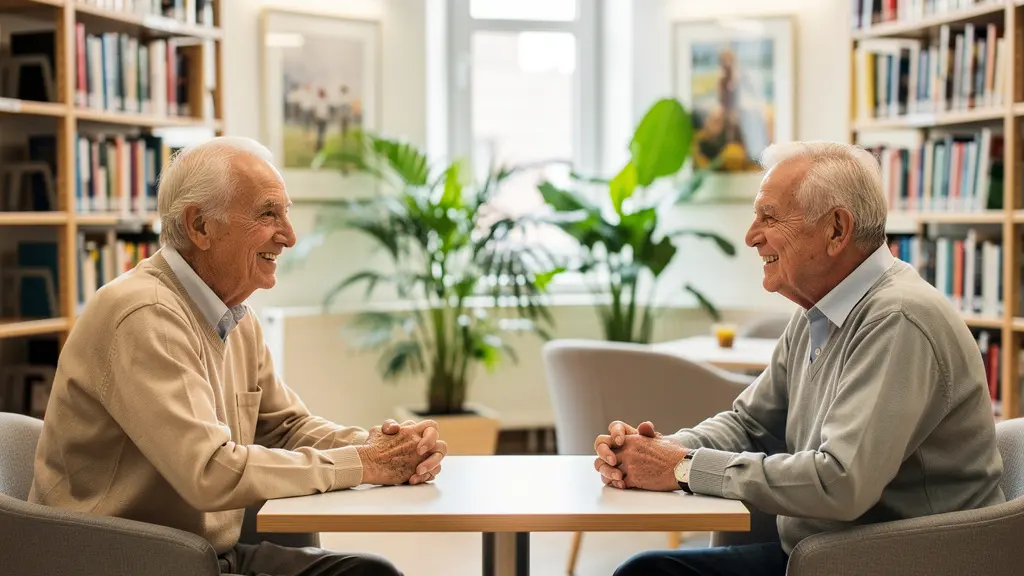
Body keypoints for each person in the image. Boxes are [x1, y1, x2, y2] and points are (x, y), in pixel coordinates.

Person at [29, 137, 447, 576]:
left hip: (201, 555)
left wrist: (380, 446)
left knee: (370, 573)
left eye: (286, 212)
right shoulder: (145, 314)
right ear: (201, 227)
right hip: (125, 560)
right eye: (268, 213)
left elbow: (286, 427)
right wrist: (364, 464)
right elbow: (210, 471)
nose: (289, 235)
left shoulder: (233, 315)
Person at [596, 141, 1005, 576]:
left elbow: (840, 481)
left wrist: (682, 468)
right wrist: (664, 449)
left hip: (894, 561)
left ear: (836, 230)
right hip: (826, 555)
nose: (752, 236)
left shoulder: (898, 319)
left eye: (768, 217)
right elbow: (751, 425)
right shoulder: (819, 310)